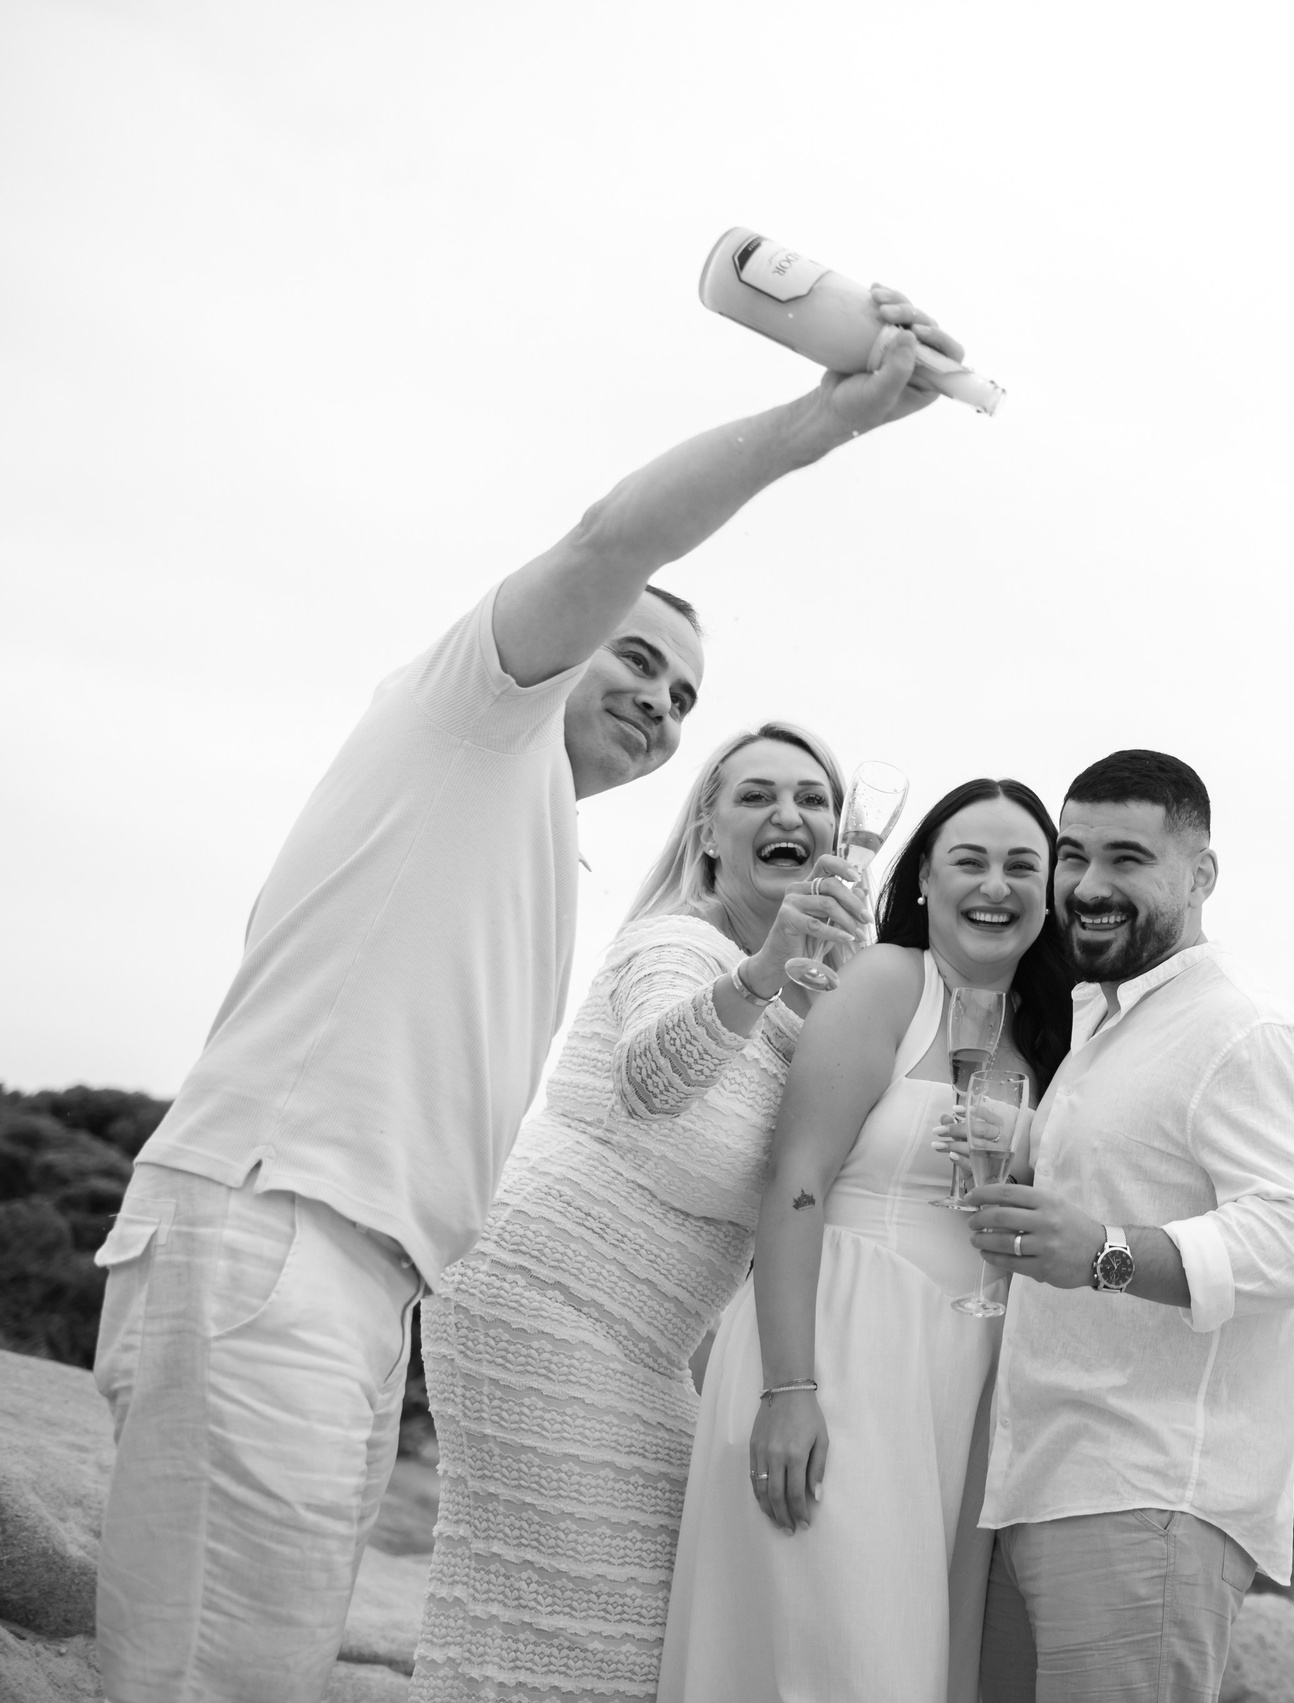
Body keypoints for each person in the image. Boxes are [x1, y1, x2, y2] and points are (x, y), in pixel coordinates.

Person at [88, 294, 963, 1703]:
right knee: (212, 1669)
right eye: (637, 658)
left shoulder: (534, 833)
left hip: (372, 1270)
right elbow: (613, 538)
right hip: (276, 1221)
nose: (661, 700)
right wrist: (829, 416)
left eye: (683, 694)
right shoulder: (474, 715)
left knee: (267, 1661)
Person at [410, 724, 868, 1701]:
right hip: (546, 1299)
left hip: (643, 1341)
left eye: (812, 797)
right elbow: (653, 1077)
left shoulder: (818, 1002)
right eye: (755, 795)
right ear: (707, 831)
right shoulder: (677, 943)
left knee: (579, 1615)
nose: (787, 813)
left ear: (842, 835)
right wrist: (763, 970)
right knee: (616, 1624)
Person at [658, 778, 1076, 1703]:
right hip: (842, 1347)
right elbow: (796, 1178)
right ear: (924, 876)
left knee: (912, 1660)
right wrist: (788, 1389)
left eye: (1022, 865)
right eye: (969, 860)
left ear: (1050, 892)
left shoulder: (1058, 1036)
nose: (995, 885)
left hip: (964, 1379)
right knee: (836, 1659)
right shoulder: (890, 979)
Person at [958, 750, 1294, 1703]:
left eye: (1127, 858)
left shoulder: (1246, 1029)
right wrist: (1026, 1143)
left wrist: (1103, 1251)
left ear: (1200, 874)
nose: (1089, 885)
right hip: (1037, 1484)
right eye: (1074, 854)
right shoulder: (1102, 1026)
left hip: (1148, 1498)